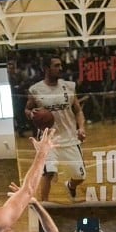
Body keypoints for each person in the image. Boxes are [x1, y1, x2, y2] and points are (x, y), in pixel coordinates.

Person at [25, 56, 86, 201]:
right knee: (48, 172)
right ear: (46, 68)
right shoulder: (35, 89)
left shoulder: (69, 86)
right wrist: (30, 114)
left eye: (60, 65)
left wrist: (81, 128)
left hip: (70, 138)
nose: (61, 68)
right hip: (48, 140)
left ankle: (70, 185)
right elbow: (27, 109)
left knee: (80, 176)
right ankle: (44, 206)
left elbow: (78, 110)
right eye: (57, 66)